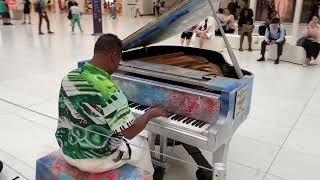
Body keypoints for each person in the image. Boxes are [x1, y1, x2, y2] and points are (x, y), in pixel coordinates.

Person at [55, 34, 168, 179]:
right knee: (142, 144)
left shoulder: (69, 77)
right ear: (114, 56)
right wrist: (148, 115)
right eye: (119, 60)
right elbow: (129, 132)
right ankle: (147, 177)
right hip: (97, 160)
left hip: (67, 150)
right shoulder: (109, 90)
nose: (118, 65)